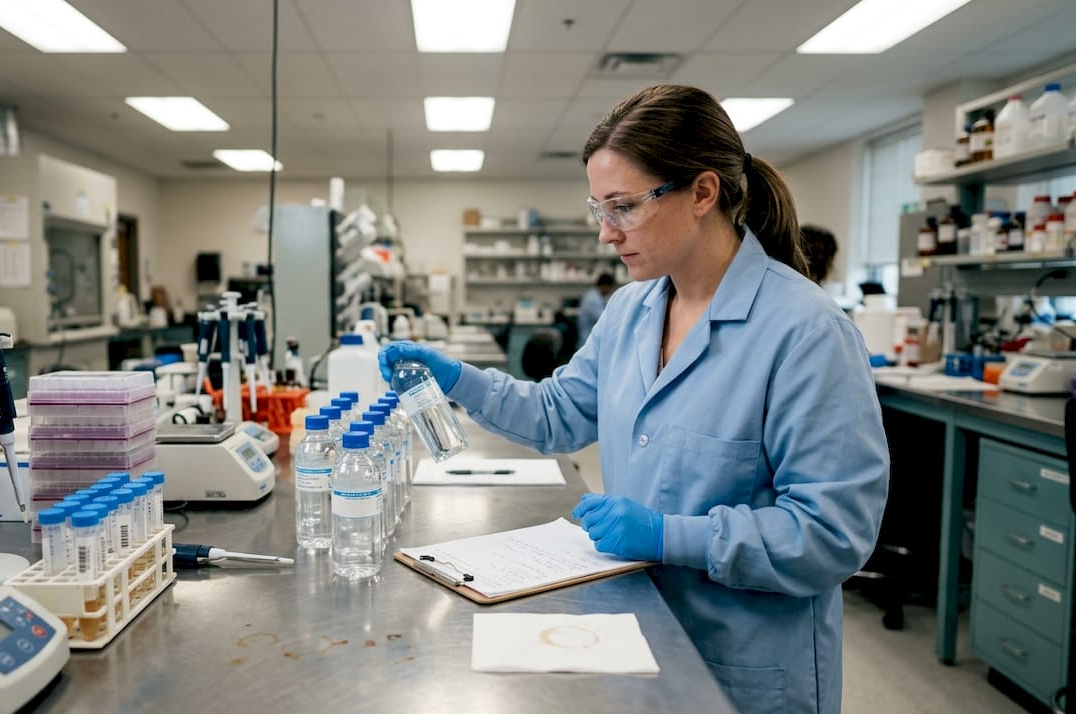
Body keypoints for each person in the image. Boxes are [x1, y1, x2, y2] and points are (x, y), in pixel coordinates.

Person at [380, 84, 888, 714]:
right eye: (598, 208)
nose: (605, 234)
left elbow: (831, 534)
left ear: (703, 192)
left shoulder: (806, 332)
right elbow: (556, 414)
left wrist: (667, 535)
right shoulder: (632, 309)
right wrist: (459, 379)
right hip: (633, 636)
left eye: (621, 207)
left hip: (747, 668)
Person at [576, 272, 616, 344]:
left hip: (592, 339)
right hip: (587, 341)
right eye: (610, 287)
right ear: (604, 286)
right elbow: (604, 319)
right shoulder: (593, 299)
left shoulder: (595, 296)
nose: (610, 291)